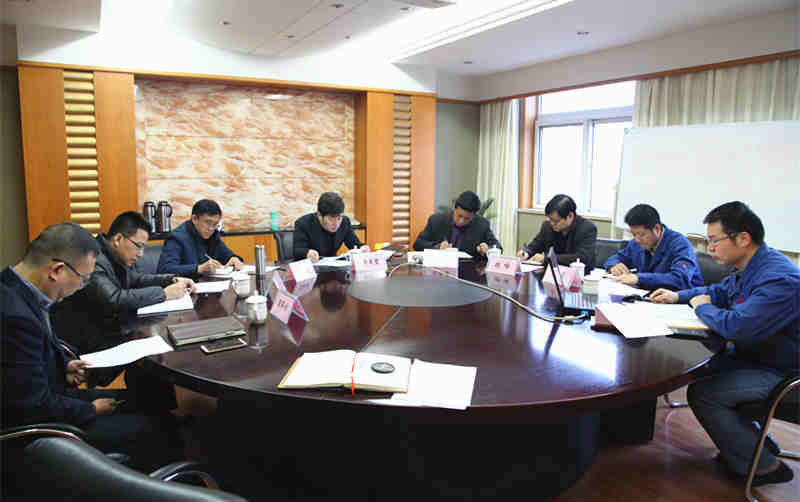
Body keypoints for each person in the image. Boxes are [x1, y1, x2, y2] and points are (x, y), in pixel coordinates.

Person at [1, 222, 181, 470]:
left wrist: (64, 367)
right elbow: (30, 406)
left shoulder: (16, 289)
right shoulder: (14, 316)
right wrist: (90, 409)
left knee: (148, 402)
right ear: (57, 271)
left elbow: (23, 369)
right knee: (155, 428)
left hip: (54, 397)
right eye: (83, 279)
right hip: (42, 432)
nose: (82, 287)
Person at [650, 202, 799, 486]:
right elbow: (718, 291)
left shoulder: (779, 279)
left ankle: (765, 467)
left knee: (705, 393)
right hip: (760, 358)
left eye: (715, 240)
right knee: (700, 370)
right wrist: (678, 296)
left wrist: (702, 307)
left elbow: (738, 327)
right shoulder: (750, 266)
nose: (710, 248)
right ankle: (752, 443)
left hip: (785, 372)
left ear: (743, 238)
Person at [604, 204, 704, 290]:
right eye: (634, 234)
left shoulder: (680, 244)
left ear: (657, 228)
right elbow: (615, 258)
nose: (637, 240)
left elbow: (680, 279)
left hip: (683, 300)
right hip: (651, 296)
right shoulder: (637, 243)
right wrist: (614, 265)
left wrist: (639, 278)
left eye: (642, 234)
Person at [157, 199, 243, 276]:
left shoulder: (213, 235)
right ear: (194, 219)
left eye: (215, 224)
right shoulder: (177, 237)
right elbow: (164, 270)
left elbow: (227, 255)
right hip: (184, 286)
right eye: (208, 223)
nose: (211, 228)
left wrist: (234, 258)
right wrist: (199, 268)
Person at [518, 194, 597, 272]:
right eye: (550, 219)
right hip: (551, 274)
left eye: (556, 221)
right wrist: (526, 252)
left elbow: (582, 257)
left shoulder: (587, 228)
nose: (552, 223)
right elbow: (535, 245)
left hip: (579, 275)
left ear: (570, 216)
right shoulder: (547, 226)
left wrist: (546, 258)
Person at [413, 190, 501, 258]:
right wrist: (438, 247)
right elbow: (418, 244)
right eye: (459, 216)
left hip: (467, 271)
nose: (461, 221)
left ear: (474, 215)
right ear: (454, 208)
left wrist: (488, 249)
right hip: (438, 269)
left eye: (467, 218)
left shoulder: (482, 225)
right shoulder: (436, 220)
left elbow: (498, 247)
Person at [293, 192, 369, 262]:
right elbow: (297, 251)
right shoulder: (303, 223)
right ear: (319, 215)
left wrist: (363, 248)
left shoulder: (345, 222)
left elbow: (355, 244)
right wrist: (307, 253)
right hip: (311, 267)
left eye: (339, 218)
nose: (336, 224)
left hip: (333, 266)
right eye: (331, 219)